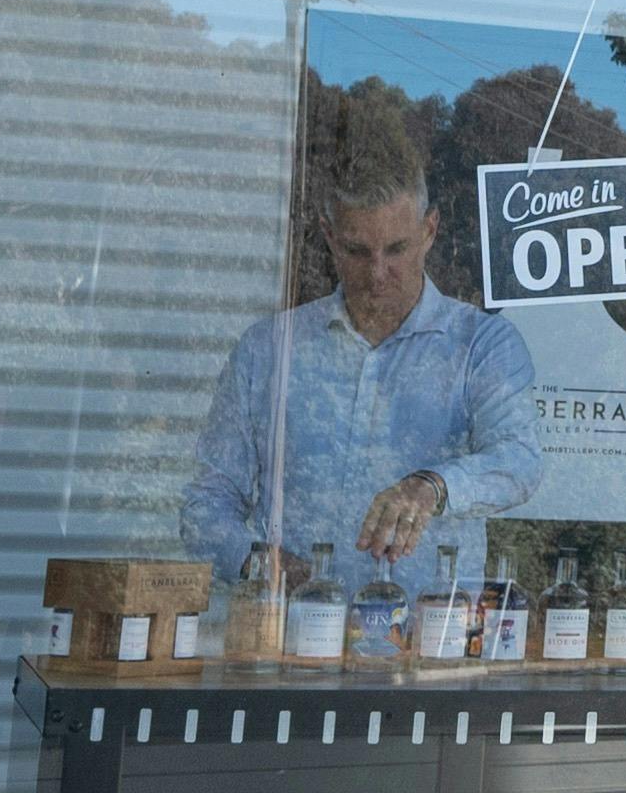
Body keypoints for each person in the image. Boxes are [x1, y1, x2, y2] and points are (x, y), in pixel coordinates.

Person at [182, 177, 548, 596]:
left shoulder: (481, 345)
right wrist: (257, 560)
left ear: (429, 231)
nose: (377, 273)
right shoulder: (268, 350)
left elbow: (519, 461)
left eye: (396, 249)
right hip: (290, 632)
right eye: (358, 251)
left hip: (428, 635)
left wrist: (432, 486)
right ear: (329, 236)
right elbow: (205, 504)